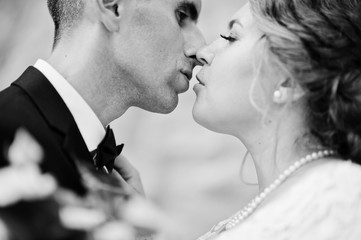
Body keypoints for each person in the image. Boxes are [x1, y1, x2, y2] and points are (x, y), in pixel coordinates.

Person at [193, 0, 361, 239]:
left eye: (231, 37)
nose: (203, 53)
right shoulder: (258, 212)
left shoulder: (340, 193)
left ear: (289, 80)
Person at [0, 0, 205, 195]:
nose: (200, 48)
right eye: (181, 16)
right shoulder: (5, 132)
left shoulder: (108, 177)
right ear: (113, 6)